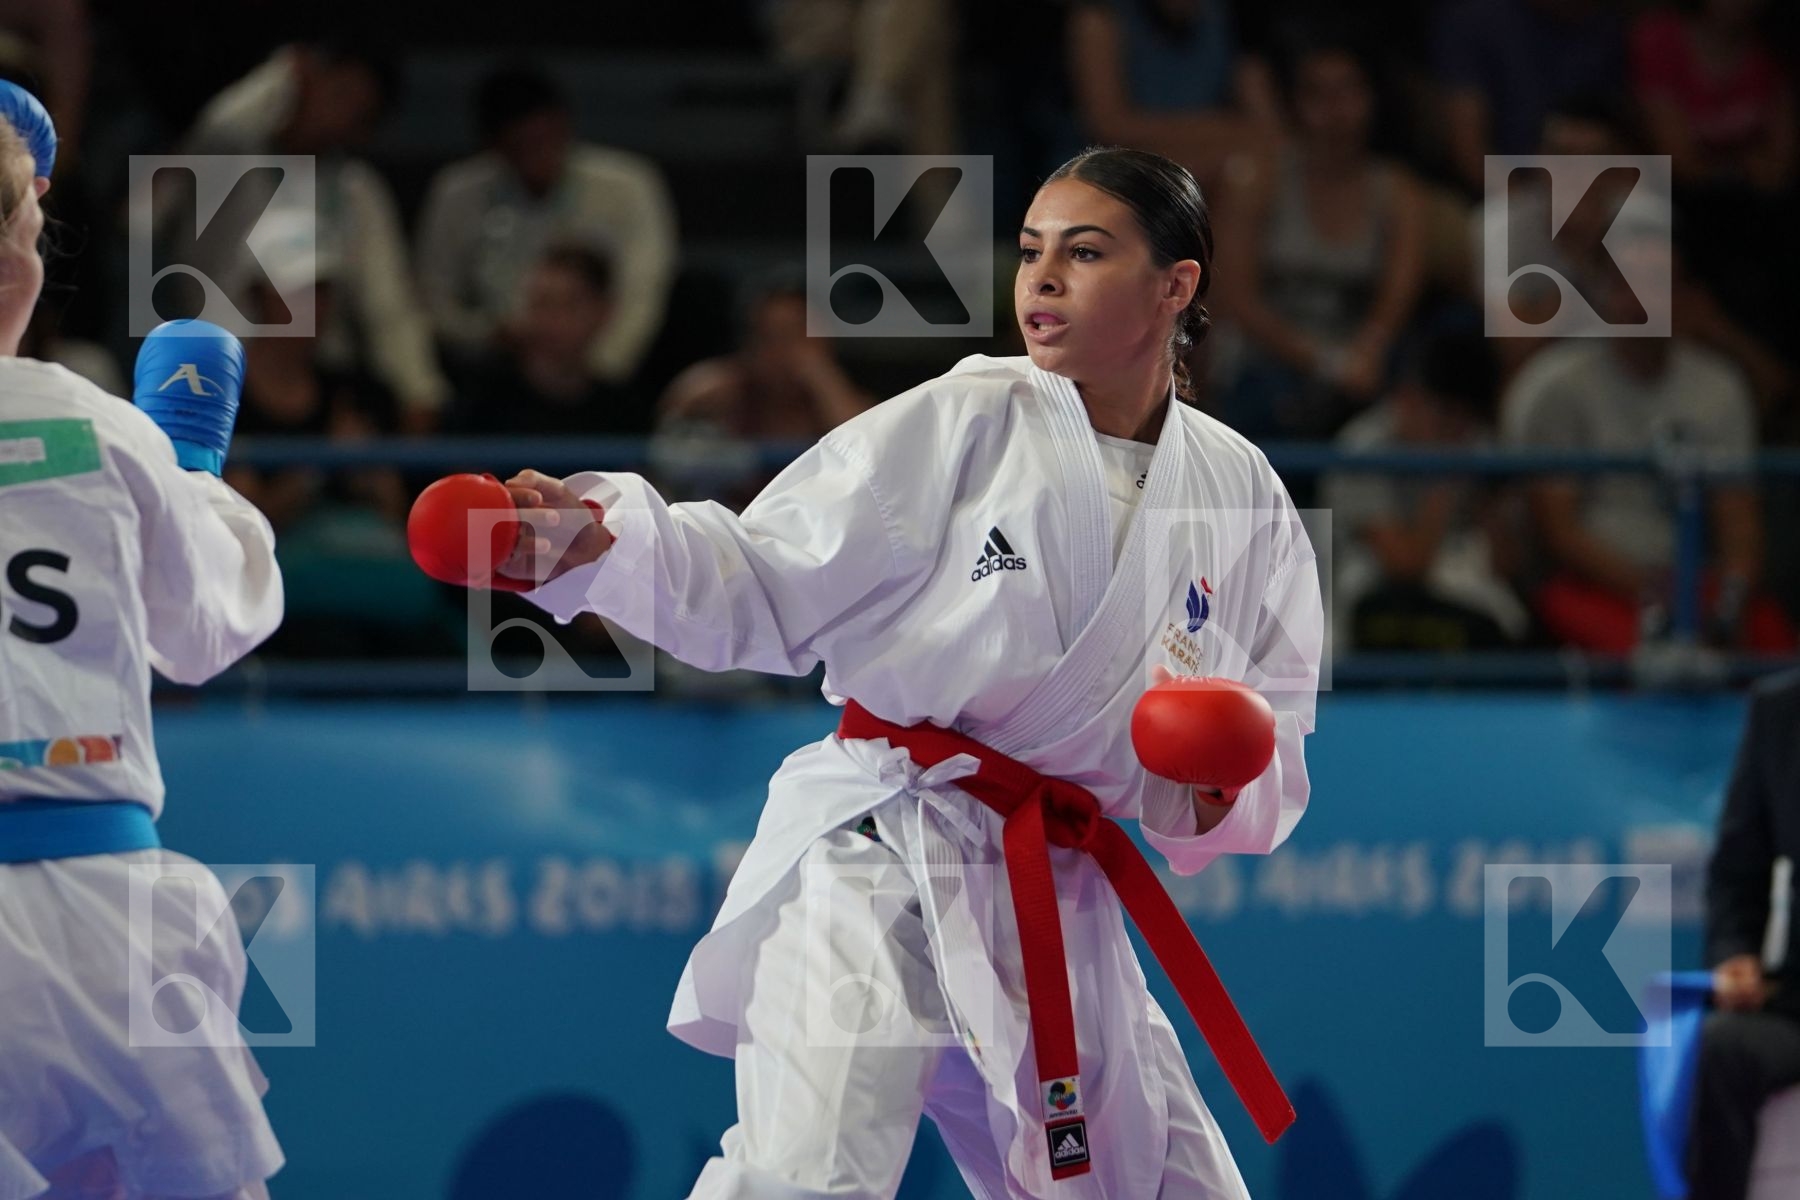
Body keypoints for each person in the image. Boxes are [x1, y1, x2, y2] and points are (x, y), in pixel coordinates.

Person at [424, 146, 1322, 1197]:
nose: (1040, 279)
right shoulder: (969, 417)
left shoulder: (1241, 491)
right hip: (885, 852)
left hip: (1054, 888)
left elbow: (1273, 753)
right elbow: (761, 576)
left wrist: (1221, 784)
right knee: (803, 1180)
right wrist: (598, 544)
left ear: (1177, 286)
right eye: (1032, 252)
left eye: (1085, 253)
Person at [0, 85, 285, 1200]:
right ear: (22, 257)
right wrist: (193, 472)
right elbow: (207, 631)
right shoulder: (96, 426)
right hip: (103, 918)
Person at [1500, 225, 1793, 654]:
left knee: (1776, 656)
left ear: (1683, 296)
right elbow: (1559, 533)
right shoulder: (1555, 387)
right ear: (1601, 294)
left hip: (1696, 581)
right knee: (1647, 667)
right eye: (1623, 285)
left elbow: (1739, 518)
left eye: (1655, 286)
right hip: (1597, 586)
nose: (1637, 303)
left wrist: (1729, 602)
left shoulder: (1719, 386)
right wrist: (1655, 592)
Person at [167, 38, 449, 430]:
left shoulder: (356, 191)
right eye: (338, 93)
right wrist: (280, 72)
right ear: (304, 79)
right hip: (217, 373)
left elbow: (388, 304)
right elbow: (219, 128)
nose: (340, 116)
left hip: (317, 378)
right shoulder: (229, 163)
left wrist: (419, 390)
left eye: (359, 110)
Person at [1210, 33, 1426, 443]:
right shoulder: (1256, 179)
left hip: (1361, 361)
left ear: (1372, 98)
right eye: (1318, 94)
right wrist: (1320, 360)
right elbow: (1235, 296)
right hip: (1266, 361)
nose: (1335, 110)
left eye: (1348, 91)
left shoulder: (1398, 191)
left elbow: (1399, 294)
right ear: (1295, 102)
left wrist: (1366, 351)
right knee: (1269, 400)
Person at [415, 64, 677, 387]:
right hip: (493, 371)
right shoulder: (455, 192)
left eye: (546, 138)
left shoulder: (629, 185)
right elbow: (434, 301)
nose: (539, 156)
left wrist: (599, 371)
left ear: (565, 126)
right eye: (522, 145)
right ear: (495, 147)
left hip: (602, 375)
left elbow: (643, 292)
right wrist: (485, 336)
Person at [1322, 331, 1528, 652]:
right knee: (1383, 613)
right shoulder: (1361, 451)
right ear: (1407, 398)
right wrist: (1443, 480)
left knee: (1509, 628)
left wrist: (1492, 511)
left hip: (1457, 585)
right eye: (1446, 414)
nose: (1457, 431)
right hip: (1373, 591)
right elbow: (1405, 565)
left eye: (1465, 418)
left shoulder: (1478, 443)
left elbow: (1508, 565)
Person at [1690, 668, 1800, 1199]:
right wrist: (1735, 953)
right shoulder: (1780, 711)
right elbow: (1738, 873)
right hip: (1797, 1005)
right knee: (1719, 1050)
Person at [451, 242, 650, 438]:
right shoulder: (483, 400)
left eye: (570, 304)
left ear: (604, 312)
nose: (553, 319)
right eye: (542, 302)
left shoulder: (623, 411)